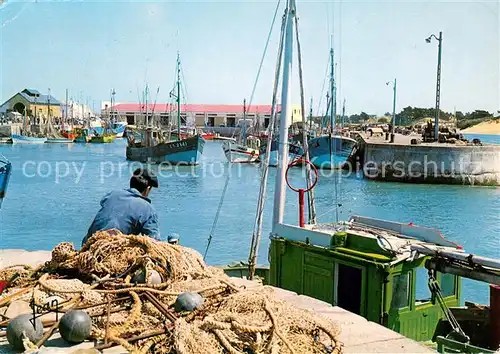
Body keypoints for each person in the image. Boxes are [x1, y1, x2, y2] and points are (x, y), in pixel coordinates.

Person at [82, 168, 160, 245]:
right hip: (113, 247)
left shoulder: (112, 195)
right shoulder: (148, 208)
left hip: (89, 243)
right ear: (148, 189)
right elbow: (153, 241)